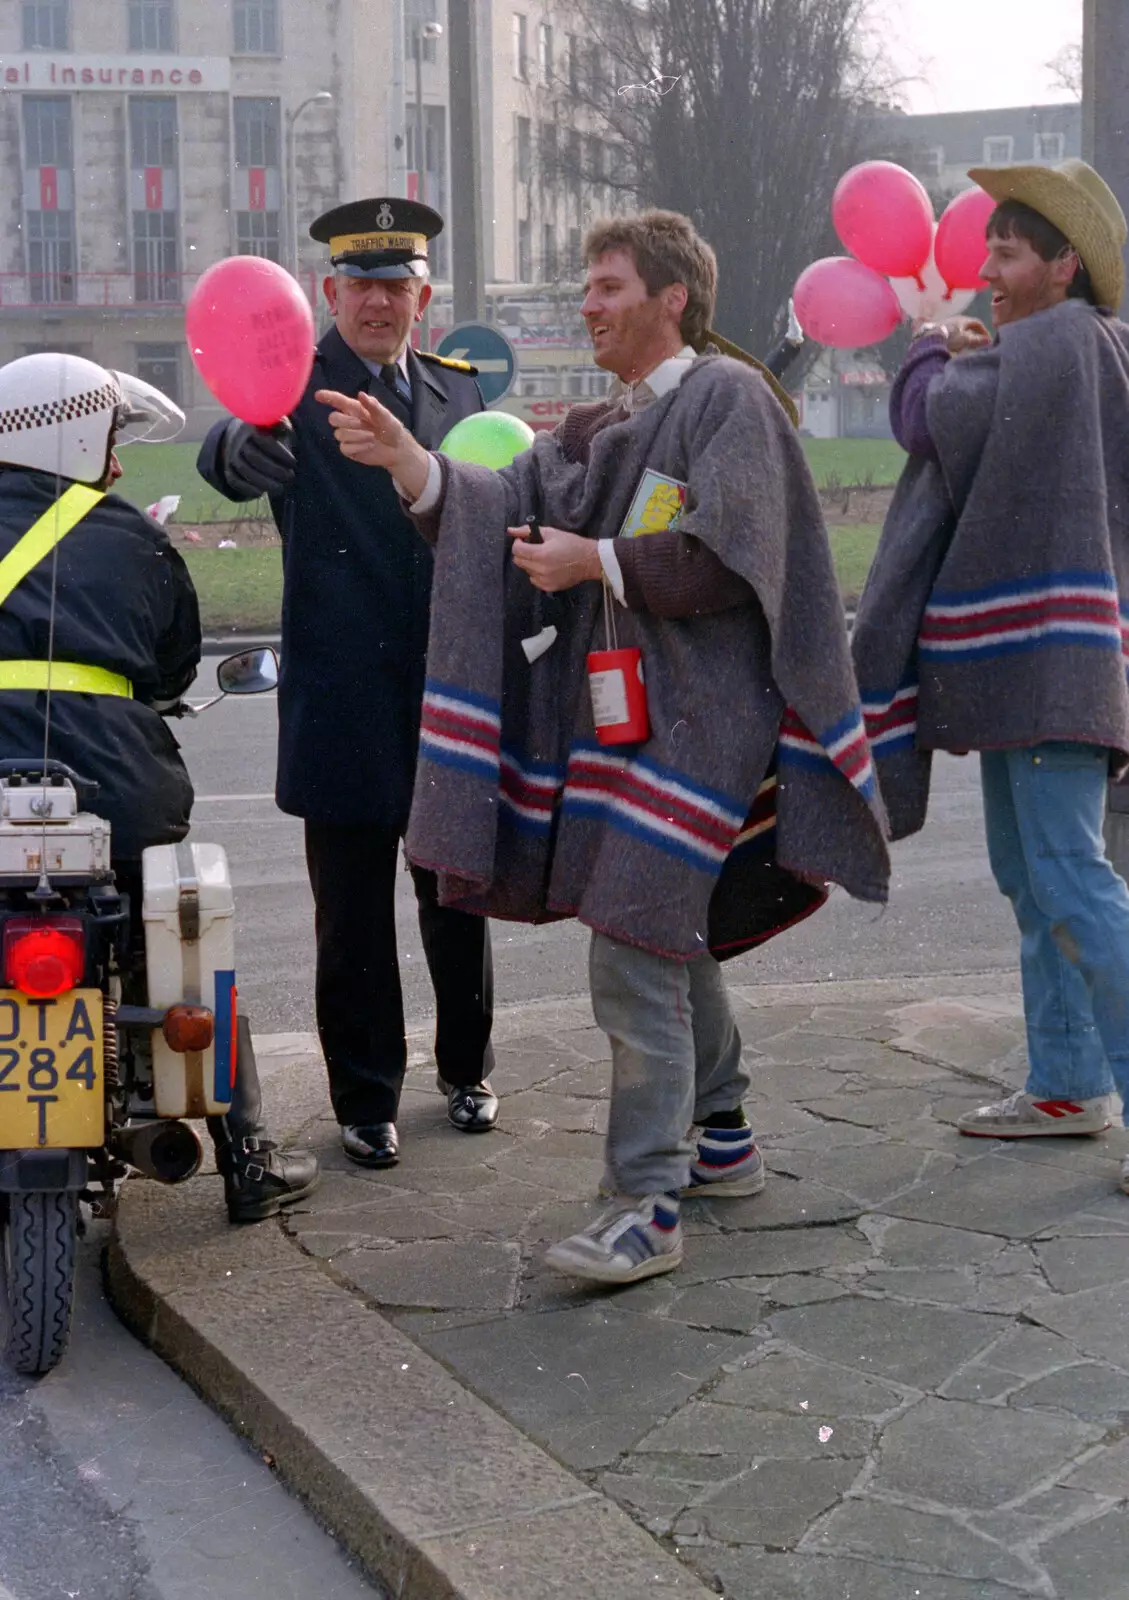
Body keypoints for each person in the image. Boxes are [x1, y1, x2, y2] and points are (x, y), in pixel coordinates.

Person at [321, 210, 890, 1283]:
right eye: (586, 285)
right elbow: (504, 502)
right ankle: (721, 1138)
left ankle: (645, 1204)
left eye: (608, 286)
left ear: (671, 300)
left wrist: (601, 562)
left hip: (707, 728)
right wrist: (412, 466)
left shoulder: (726, 398)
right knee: (662, 929)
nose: (586, 303)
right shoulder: (602, 423)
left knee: (631, 943)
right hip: (643, 730)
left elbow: (732, 549)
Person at [197, 198, 498, 1171]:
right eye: (359, 285)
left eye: (395, 285)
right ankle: (366, 1097)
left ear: (422, 296)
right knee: (354, 914)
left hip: (444, 691)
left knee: (456, 896)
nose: (378, 302)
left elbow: (495, 494)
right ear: (329, 293)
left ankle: (467, 1069)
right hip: (341, 696)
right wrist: (236, 450)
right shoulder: (293, 385)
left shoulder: (458, 393)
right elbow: (229, 449)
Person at [852, 158, 1129, 1185]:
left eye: (1006, 255)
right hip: (1054, 662)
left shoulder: (1055, 343)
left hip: (1046, 665)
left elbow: (929, 418)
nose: (988, 276)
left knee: (1069, 877)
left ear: (1063, 265)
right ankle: (1065, 1080)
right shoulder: (1092, 348)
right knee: (1036, 876)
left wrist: (929, 346)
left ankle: (1094, 1077)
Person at [0, 351, 318, 1223]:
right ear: (69, 434)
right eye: (108, 438)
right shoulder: (131, 532)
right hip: (112, 786)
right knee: (182, 929)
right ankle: (245, 1152)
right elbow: (177, 662)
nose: (116, 460)